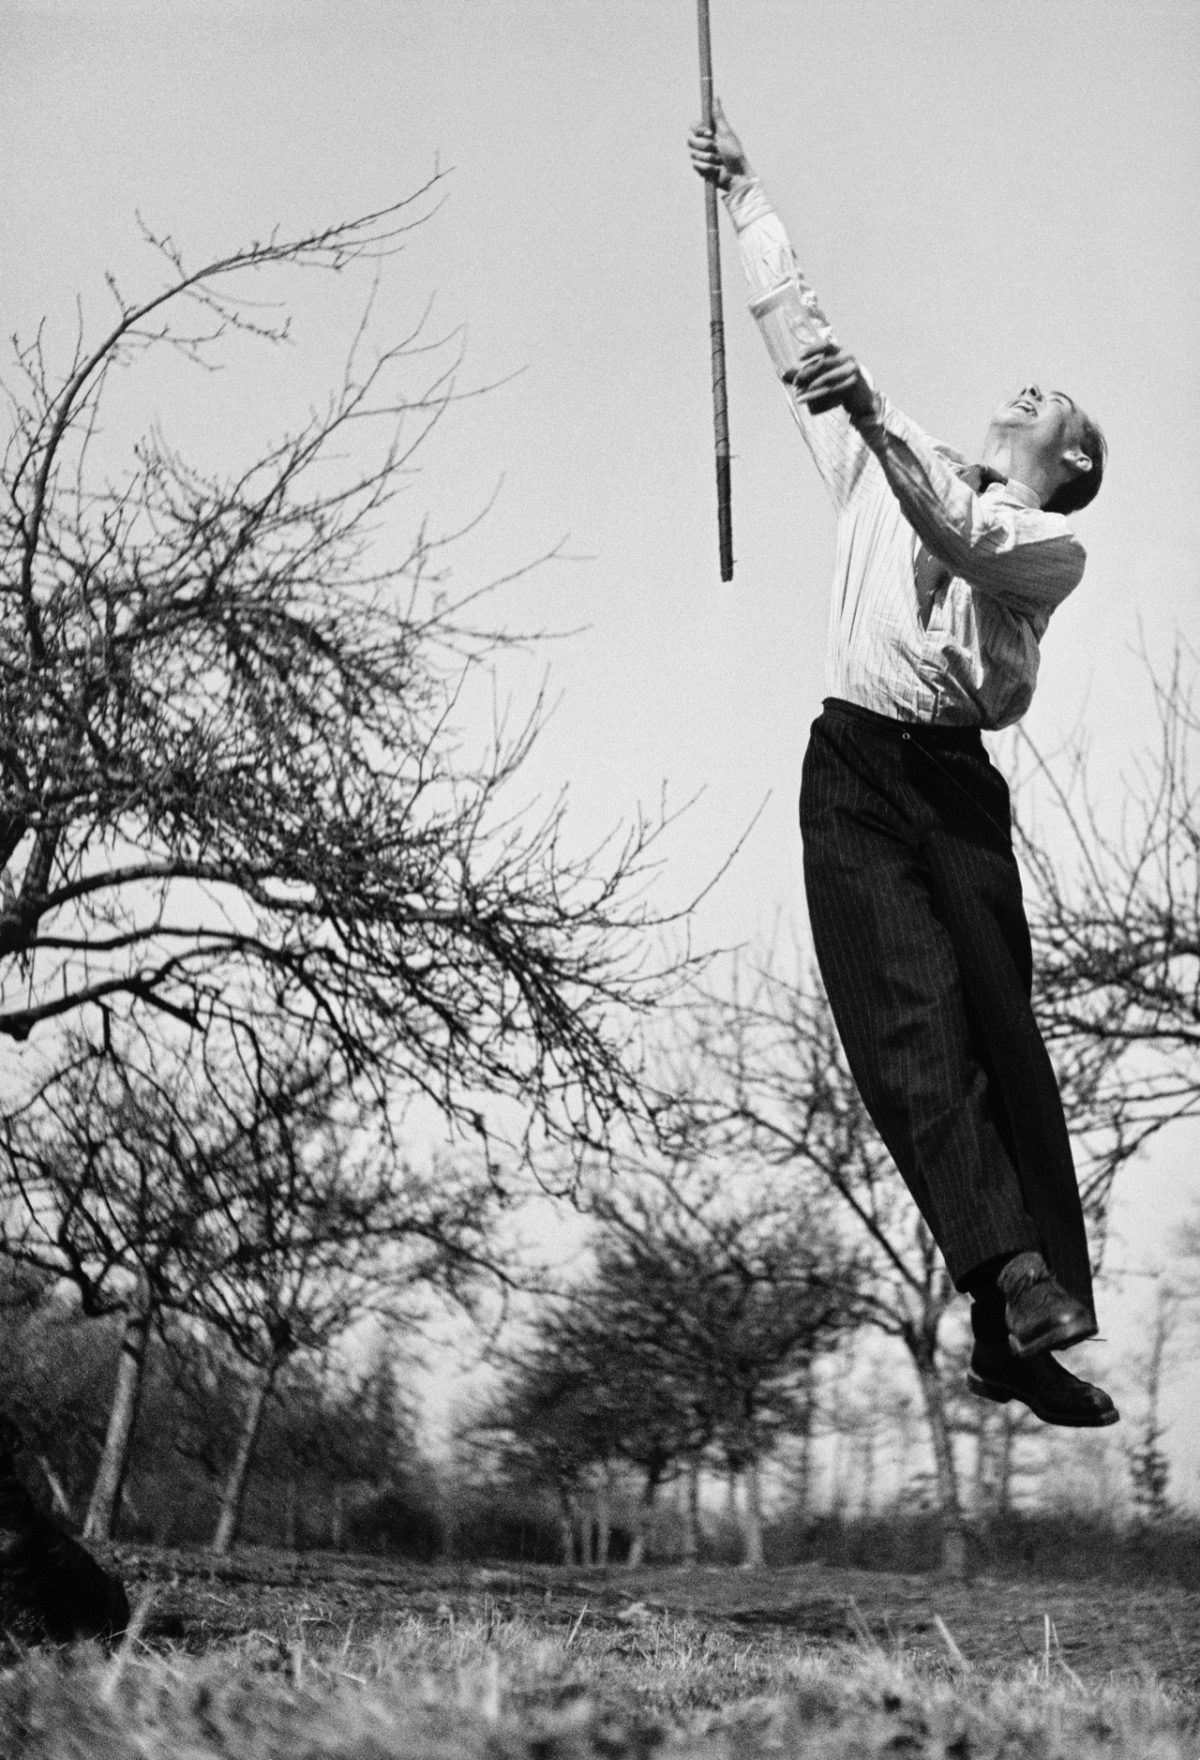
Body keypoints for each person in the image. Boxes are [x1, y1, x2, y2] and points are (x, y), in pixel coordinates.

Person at [688, 105, 1117, 1429]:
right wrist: (747, 200)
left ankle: (1013, 1330)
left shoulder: (1045, 549)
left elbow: (965, 531)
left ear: (1076, 465)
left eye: (1061, 405)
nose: (1034, 389)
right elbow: (796, 338)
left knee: (1000, 1051)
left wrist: (874, 413)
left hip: (956, 797)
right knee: (914, 1029)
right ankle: (1015, 1278)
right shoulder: (896, 457)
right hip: (858, 773)